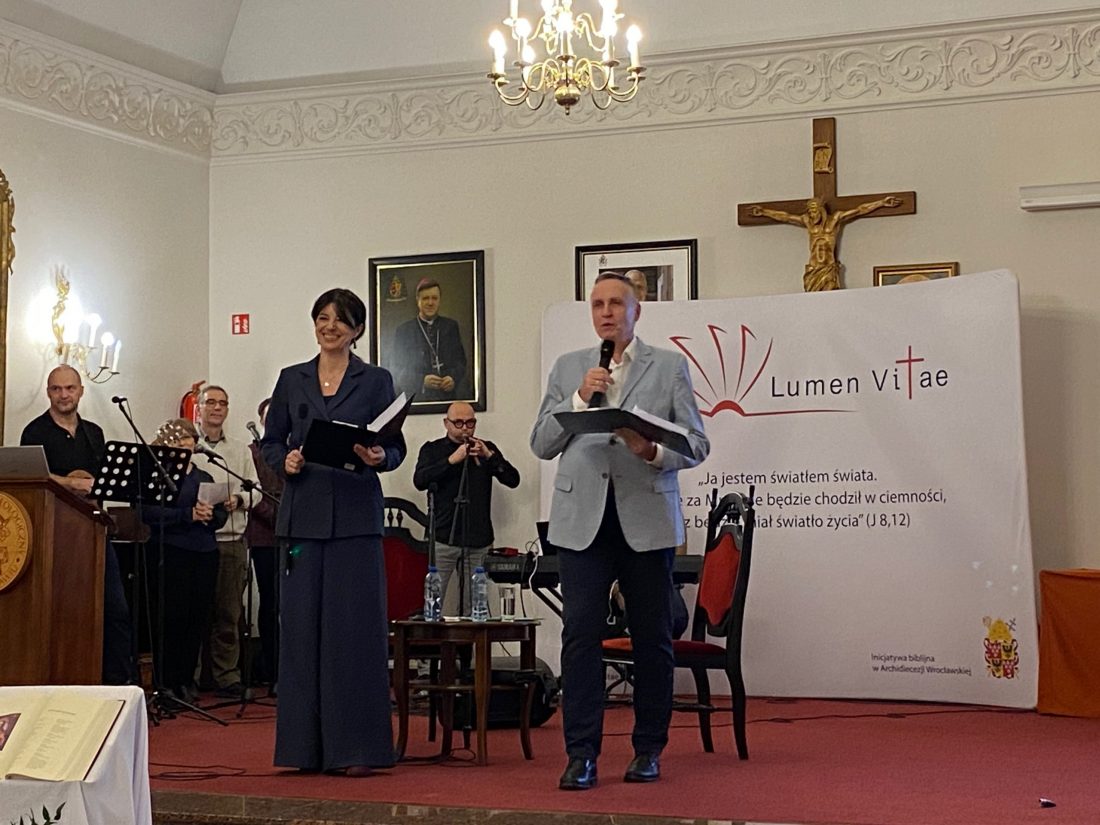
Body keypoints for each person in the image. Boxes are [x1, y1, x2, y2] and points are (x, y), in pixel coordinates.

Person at [530, 272, 710, 790]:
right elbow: (541, 443)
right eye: (598, 304)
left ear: (636, 311)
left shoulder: (669, 366)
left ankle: (648, 748)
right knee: (580, 637)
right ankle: (580, 755)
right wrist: (578, 400)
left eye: (616, 304)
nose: (606, 312)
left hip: (645, 520)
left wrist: (651, 450)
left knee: (651, 638)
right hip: (581, 522)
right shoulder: (570, 368)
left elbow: (696, 444)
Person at [261, 287, 406, 776]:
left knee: (353, 634)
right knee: (301, 634)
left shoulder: (376, 380)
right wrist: (285, 460)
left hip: (354, 519)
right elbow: (271, 441)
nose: (330, 327)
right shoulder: (291, 378)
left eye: (340, 320)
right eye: (322, 318)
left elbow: (396, 447)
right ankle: (303, 749)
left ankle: (356, 750)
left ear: (357, 329)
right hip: (302, 518)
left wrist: (380, 456)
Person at [19, 364, 135, 685]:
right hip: (54, 534)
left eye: (70, 388)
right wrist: (70, 483)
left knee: (115, 610)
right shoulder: (34, 432)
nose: (64, 395)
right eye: (57, 389)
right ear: (48, 393)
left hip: (95, 531)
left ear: (81, 391)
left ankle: (118, 685)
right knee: (61, 612)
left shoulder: (94, 433)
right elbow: (32, 476)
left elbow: (103, 481)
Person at [141, 418, 227, 702]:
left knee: (197, 617)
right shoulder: (158, 475)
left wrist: (210, 515)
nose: (183, 445)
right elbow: (146, 513)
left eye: (188, 440)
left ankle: (187, 679)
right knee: (172, 618)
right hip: (171, 551)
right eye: (177, 441)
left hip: (204, 552)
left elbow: (220, 515)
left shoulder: (205, 476)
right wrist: (187, 515)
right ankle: (167, 680)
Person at [412, 401, 520, 614]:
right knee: (432, 605)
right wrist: (452, 460)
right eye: (458, 423)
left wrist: (489, 456)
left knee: (476, 608)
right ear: (446, 423)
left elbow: (513, 479)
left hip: (478, 541)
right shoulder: (432, 449)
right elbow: (420, 480)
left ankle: (471, 637)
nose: (465, 428)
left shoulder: (485, 449)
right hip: (443, 537)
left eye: (470, 423)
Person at [195, 384, 257, 700]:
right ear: (199, 408)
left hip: (231, 540)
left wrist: (240, 499)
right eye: (211, 403)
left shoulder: (239, 450)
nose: (217, 408)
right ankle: (189, 677)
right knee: (194, 612)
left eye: (222, 403)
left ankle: (227, 676)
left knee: (228, 615)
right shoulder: (188, 446)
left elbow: (256, 490)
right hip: (196, 540)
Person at [749, 195, 901, 291]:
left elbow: (860, 209)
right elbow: (785, 216)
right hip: (813, 268)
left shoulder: (834, 220)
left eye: (814, 211)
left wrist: (882, 203)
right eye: (810, 211)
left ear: (821, 210)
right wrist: (763, 212)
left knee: (830, 302)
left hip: (828, 268)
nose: (812, 214)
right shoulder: (807, 222)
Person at [244, 397, 283, 695]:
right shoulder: (252, 453)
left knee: (292, 604)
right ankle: (272, 669)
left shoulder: (292, 450)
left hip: (295, 537)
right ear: (260, 421)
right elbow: (252, 493)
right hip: (264, 537)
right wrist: (278, 517)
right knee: (270, 602)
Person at [389, 278, 466, 402]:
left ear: (439, 300)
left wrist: (453, 378)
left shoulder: (451, 327)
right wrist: (422, 381)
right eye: (425, 298)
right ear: (417, 301)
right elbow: (396, 369)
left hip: (447, 399)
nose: (430, 303)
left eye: (434, 298)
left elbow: (461, 362)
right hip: (417, 400)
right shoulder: (404, 331)